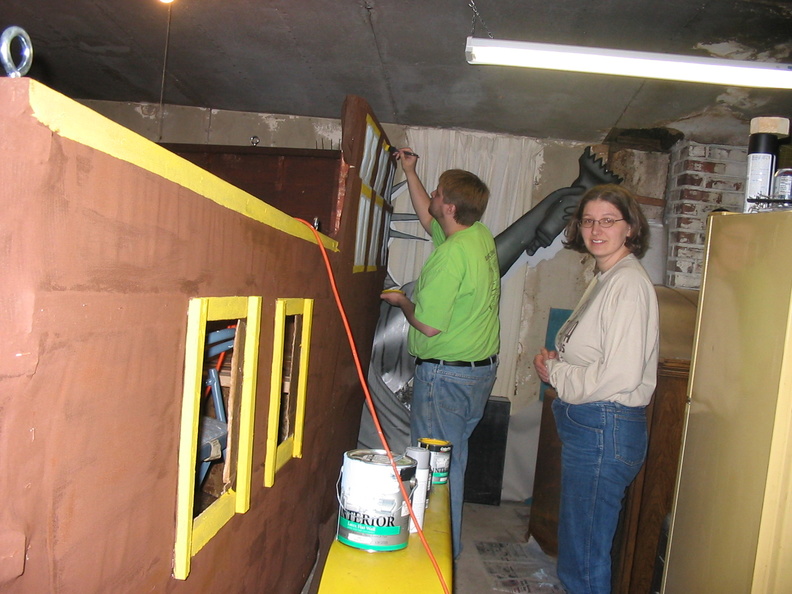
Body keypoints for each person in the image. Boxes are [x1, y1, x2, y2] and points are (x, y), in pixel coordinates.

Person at [533, 184, 659, 594]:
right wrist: (558, 364)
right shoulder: (606, 277)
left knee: (583, 560)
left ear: (630, 228)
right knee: (579, 550)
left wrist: (559, 375)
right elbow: (596, 355)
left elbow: (620, 374)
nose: (596, 229)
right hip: (595, 425)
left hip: (604, 426)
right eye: (589, 220)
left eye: (608, 220)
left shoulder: (628, 284)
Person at [381, 148, 500, 559]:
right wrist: (410, 172)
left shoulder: (449, 257)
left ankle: (437, 553)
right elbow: (428, 216)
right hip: (476, 375)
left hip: (445, 379)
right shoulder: (475, 235)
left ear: (450, 205)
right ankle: (445, 545)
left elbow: (427, 326)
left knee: (435, 471)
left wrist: (402, 302)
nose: (431, 194)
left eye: (437, 191)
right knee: (455, 459)